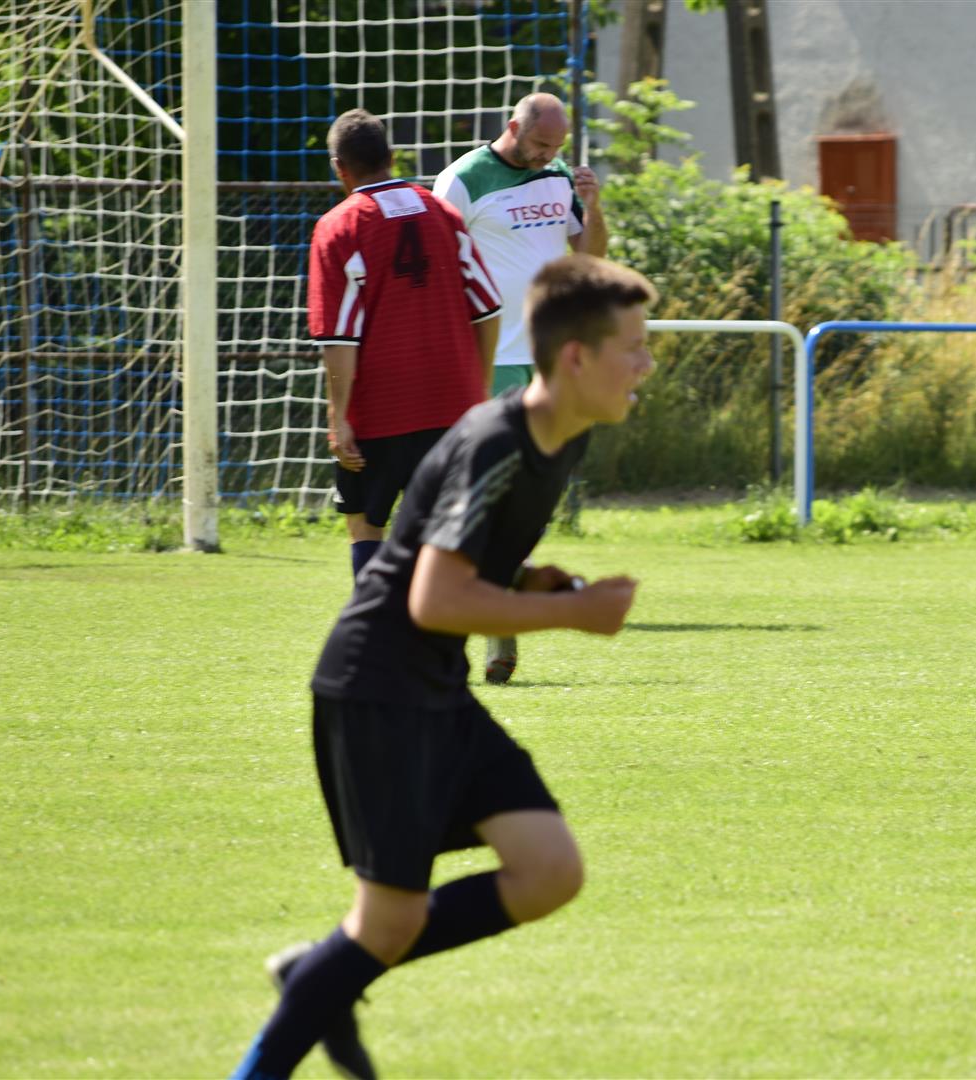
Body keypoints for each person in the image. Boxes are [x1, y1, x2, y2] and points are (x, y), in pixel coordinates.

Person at [232, 254, 657, 1080]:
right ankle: (319, 987)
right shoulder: (496, 442)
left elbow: (459, 563)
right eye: (633, 346)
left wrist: (529, 582)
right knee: (386, 923)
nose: (645, 363)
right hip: (377, 689)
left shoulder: (562, 439)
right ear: (576, 357)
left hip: (433, 688)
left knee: (548, 871)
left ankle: (325, 969)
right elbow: (432, 598)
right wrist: (573, 614)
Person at [433, 91, 610, 683]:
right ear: (512, 126)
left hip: (550, 364)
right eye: (539, 144)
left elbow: (591, 258)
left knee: (531, 499)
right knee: (492, 496)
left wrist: (593, 205)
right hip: (493, 363)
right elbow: (439, 268)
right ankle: (490, 631)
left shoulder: (558, 176)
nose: (547, 155)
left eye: (557, 146)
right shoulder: (462, 180)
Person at [308, 108, 503, 582]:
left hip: (382, 409)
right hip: (452, 405)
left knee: (365, 524)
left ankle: (377, 622)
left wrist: (339, 416)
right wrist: (478, 390)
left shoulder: (339, 227)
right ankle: (467, 603)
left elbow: (339, 336)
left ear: (339, 168)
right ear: (392, 157)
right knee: (445, 527)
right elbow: (488, 308)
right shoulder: (443, 214)